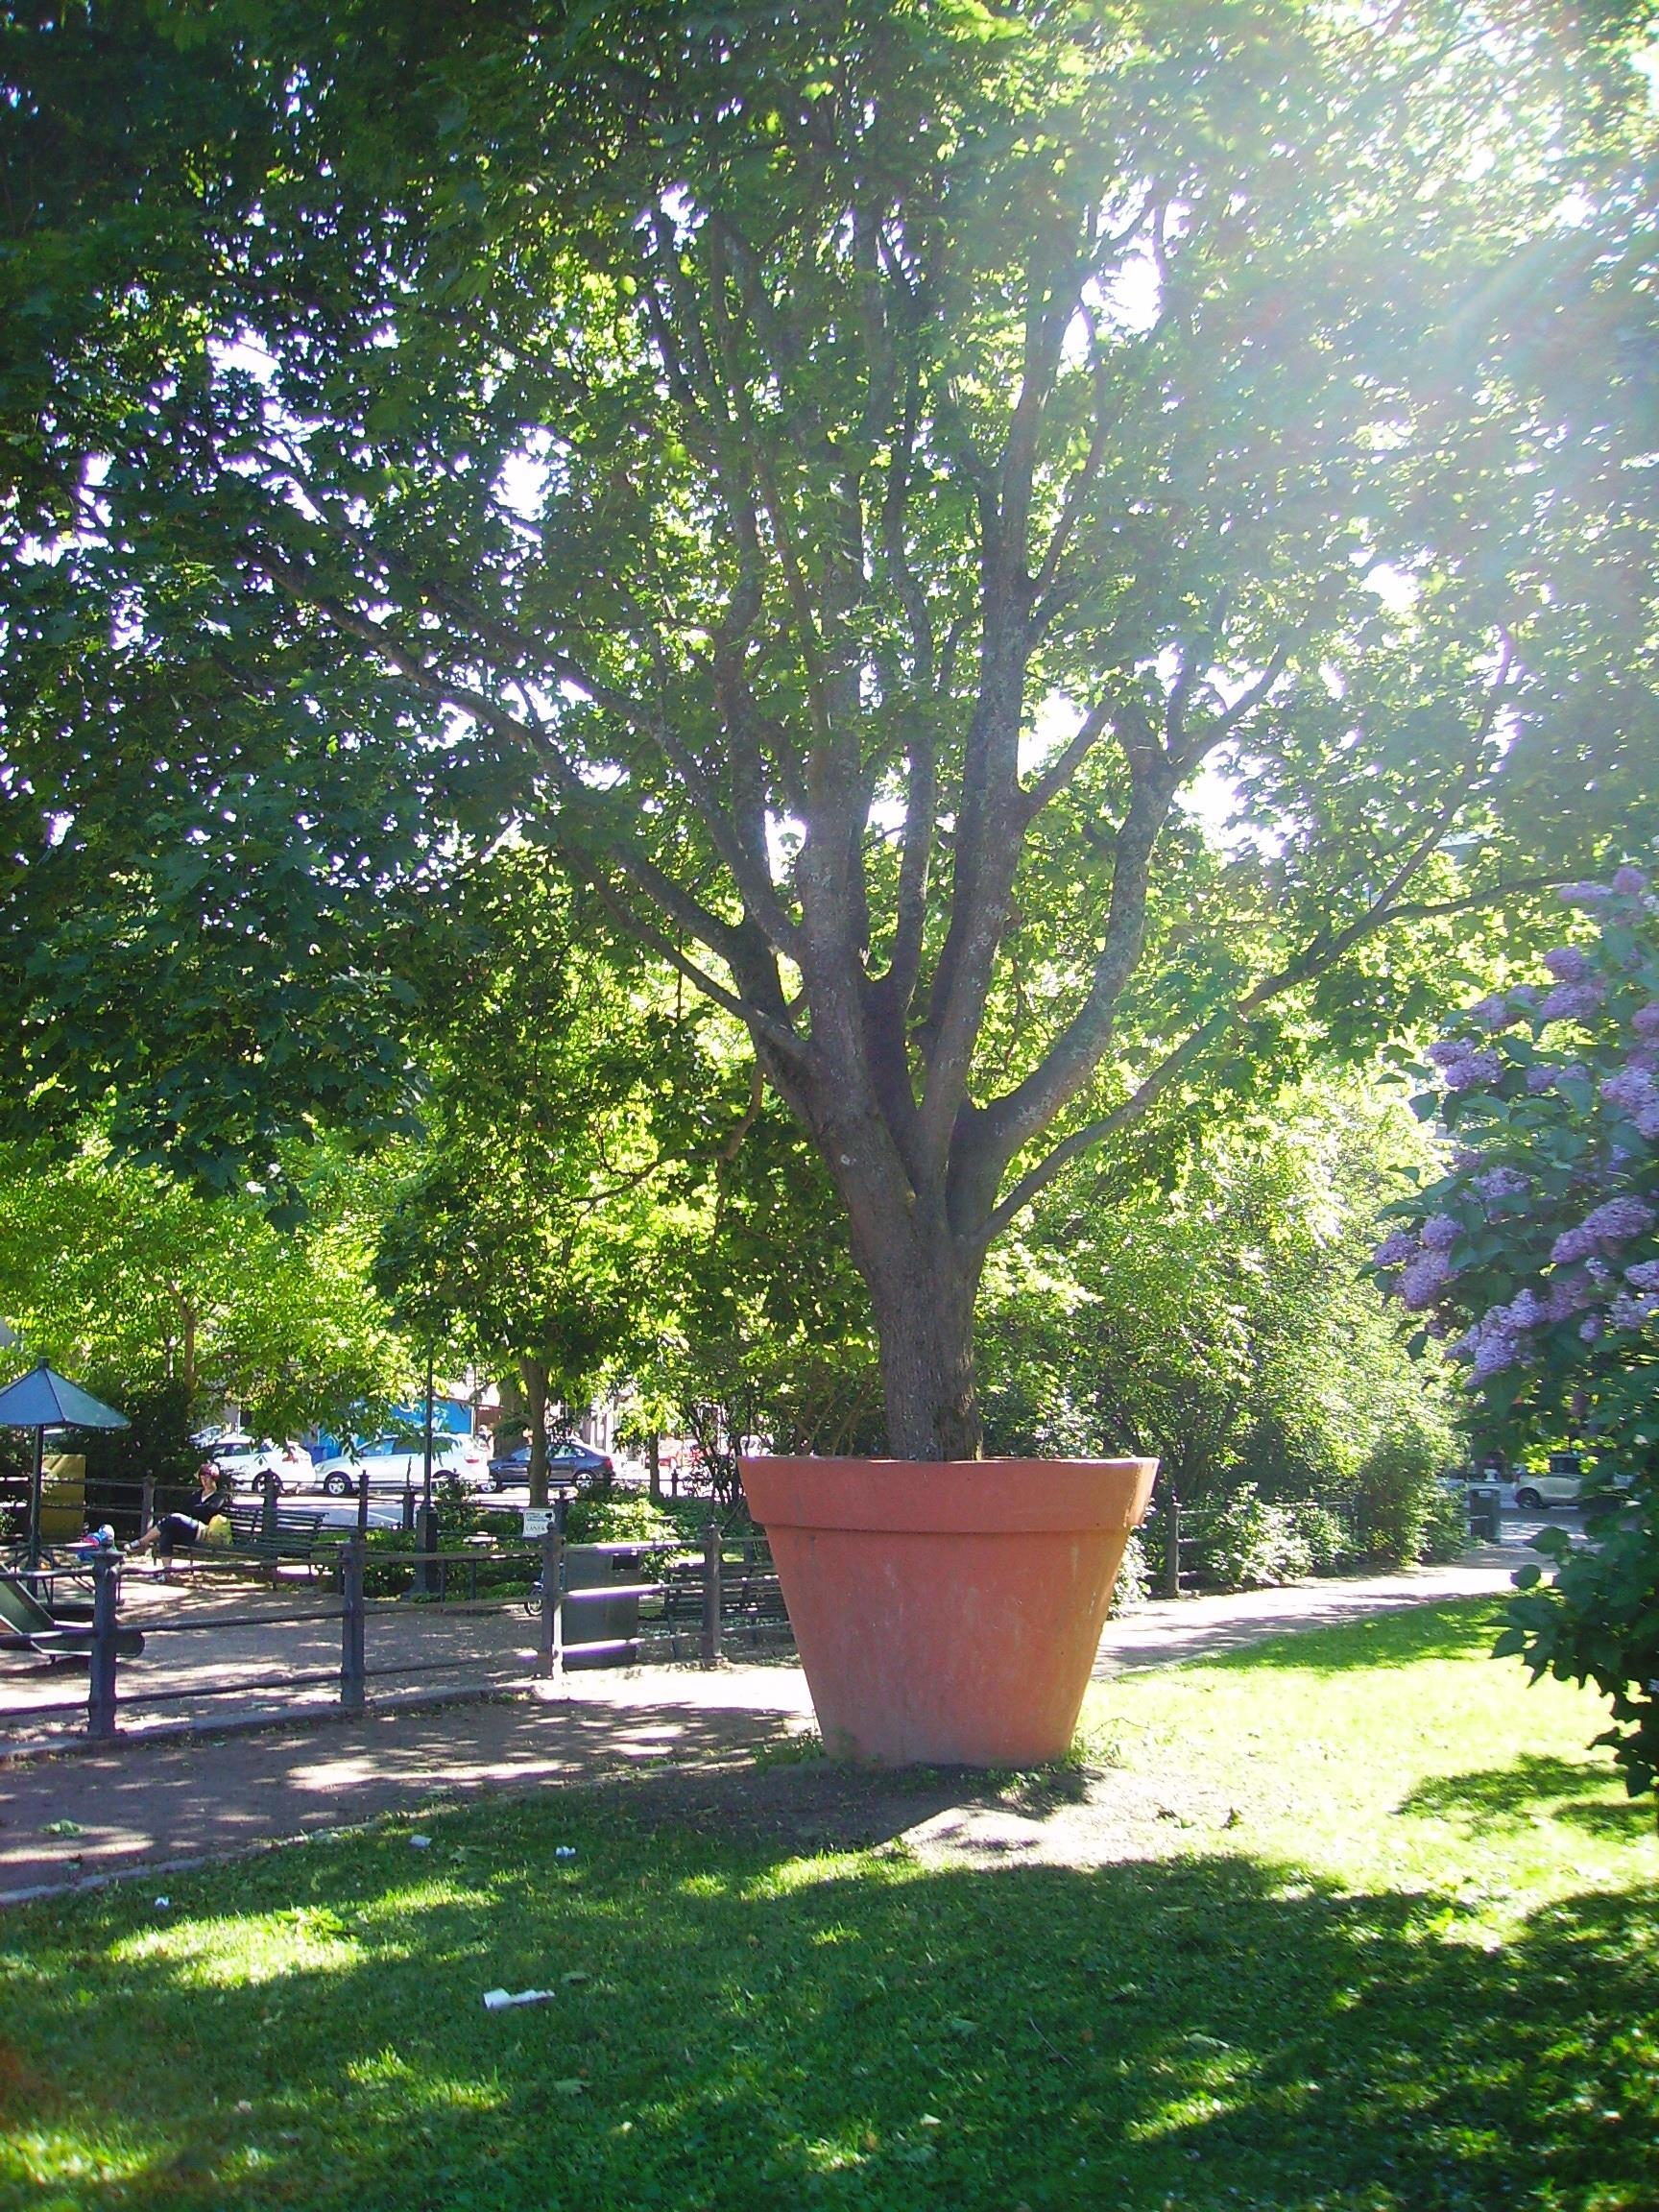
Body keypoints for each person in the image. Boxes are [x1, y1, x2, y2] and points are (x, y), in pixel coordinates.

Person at [129, 1462, 233, 1565]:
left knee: (176, 1517)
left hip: (206, 1532)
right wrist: (196, 1510)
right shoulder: (197, 1494)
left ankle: (142, 1542)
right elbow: (186, 1509)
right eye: (202, 1478)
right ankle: (167, 1571)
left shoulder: (219, 1495)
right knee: (167, 1533)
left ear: (214, 1478)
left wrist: (194, 1510)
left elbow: (208, 1510)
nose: (204, 1481)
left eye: (207, 1478)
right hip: (191, 1529)